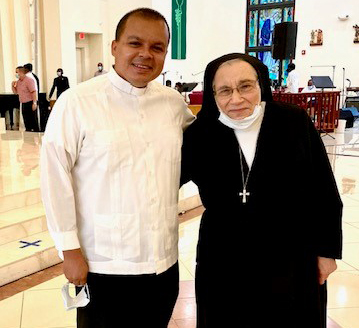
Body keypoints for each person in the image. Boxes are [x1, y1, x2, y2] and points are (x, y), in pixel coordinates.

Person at [41, 8, 195, 328]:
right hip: (104, 264)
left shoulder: (172, 104)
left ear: (166, 53)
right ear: (114, 47)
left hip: (163, 263)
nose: (145, 54)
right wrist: (69, 249)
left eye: (157, 48)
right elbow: (55, 177)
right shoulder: (77, 103)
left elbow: (209, 148)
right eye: (134, 43)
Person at [180, 53, 342, 328]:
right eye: (225, 90)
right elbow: (164, 180)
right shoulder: (201, 133)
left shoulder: (294, 122)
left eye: (245, 86)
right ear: (213, 94)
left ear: (261, 86)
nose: (236, 99)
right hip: (223, 255)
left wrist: (327, 251)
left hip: (289, 251)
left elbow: (323, 189)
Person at [11, 66, 39, 132]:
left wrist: (34, 103)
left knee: (33, 121)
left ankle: (36, 136)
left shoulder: (29, 80)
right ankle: (28, 137)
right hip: (23, 103)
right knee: (26, 121)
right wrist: (12, 86)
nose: (16, 74)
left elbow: (33, 91)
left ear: (21, 72)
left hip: (30, 102)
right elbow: (16, 92)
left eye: (16, 72)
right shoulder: (18, 82)